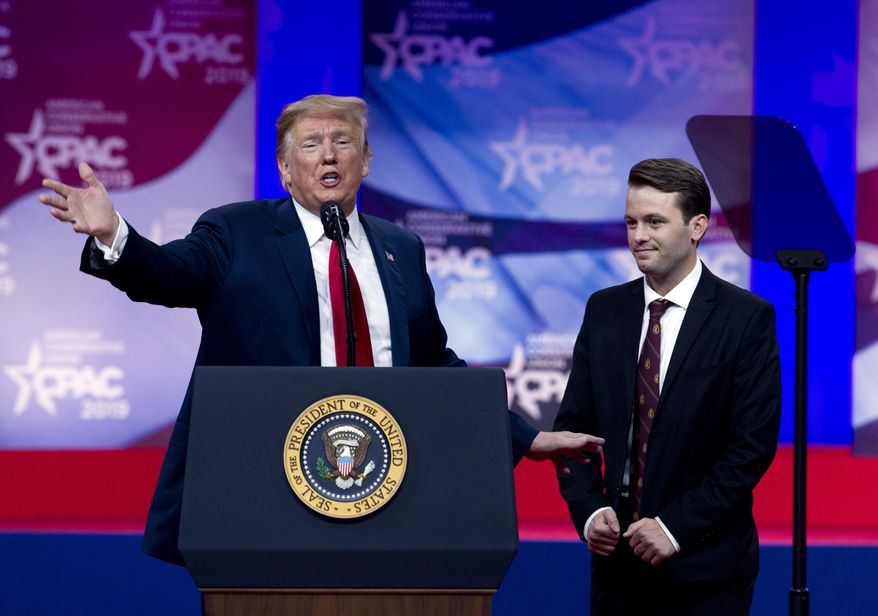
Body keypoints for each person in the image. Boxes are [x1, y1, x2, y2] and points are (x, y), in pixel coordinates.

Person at [39, 94, 604, 565]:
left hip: (384, 487)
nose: (328, 155)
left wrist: (526, 438)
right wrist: (115, 235)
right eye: (310, 145)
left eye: (343, 142)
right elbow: (167, 275)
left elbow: (434, 365)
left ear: (366, 162)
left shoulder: (399, 249)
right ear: (285, 169)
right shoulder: (236, 231)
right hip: (263, 490)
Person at [553, 158, 780, 614]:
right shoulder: (604, 310)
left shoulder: (745, 318)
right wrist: (591, 511)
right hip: (616, 571)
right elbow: (573, 429)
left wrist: (674, 527)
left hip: (706, 570)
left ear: (697, 226)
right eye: (632, 222)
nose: (639, 236)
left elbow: (750, 448)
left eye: (655, 222)